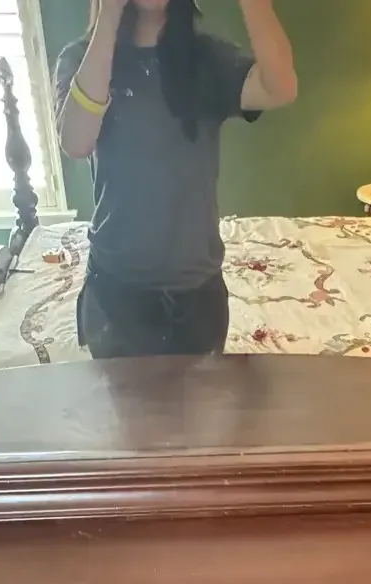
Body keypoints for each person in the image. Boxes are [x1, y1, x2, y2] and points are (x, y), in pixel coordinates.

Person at [55, 0, 297, 359]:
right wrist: (108, 15)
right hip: (116, 295)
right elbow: (76, 142)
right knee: (121, 399)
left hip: (197, 296)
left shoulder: (207, 58)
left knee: (199, 398)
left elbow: (280, 87)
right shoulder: (82, 59)